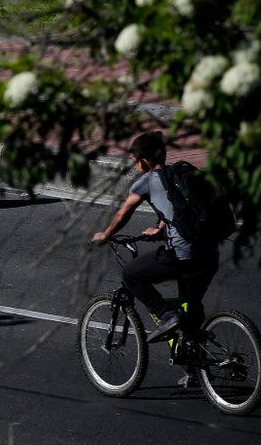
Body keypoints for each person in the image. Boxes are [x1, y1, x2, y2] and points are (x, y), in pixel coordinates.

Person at [92, 131, 219, 344]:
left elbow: (123, 213)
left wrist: (105, 235)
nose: (135, 166)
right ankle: (194, 358)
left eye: (134, 161)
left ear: (142, 162)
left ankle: (166, 314)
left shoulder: (147, 181)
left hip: (182, 255)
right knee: (191, 303)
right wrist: (160, 229)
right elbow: (179, 210)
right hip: (210, 254)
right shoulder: (178, 176)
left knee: (131, 273)